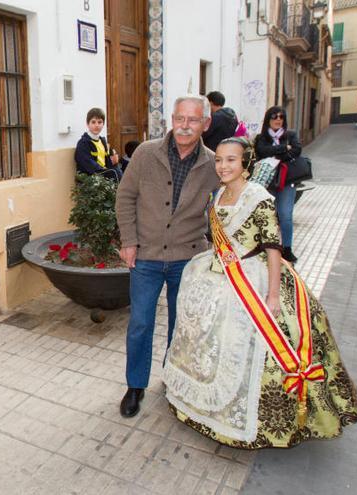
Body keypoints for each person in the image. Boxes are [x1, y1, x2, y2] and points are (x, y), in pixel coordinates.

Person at [162, 137, 357, 448]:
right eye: (219, 160)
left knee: (253, 343)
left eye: (231, 160)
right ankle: (203, 404)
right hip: (221, 273)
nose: (223, 166)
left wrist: (271, 296)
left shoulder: (259, 198)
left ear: (246, 164)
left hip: (255, 278)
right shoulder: (218, 195)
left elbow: (273, 249)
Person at [115, 95, 221, 418]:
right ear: (171, 120)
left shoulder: (213, 164)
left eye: (192, 120)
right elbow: (125, 197)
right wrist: (129, 241)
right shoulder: (146, 154)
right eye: (179, 118)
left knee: (181, 325)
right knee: (140, 323)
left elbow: (225, 209)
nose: (184, 126)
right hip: (145, 255)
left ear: (206, 124)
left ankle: (173, 379)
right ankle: (136, 385)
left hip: (188, 259)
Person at [254, 106, 301, 263]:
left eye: (281, 117)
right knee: (268, 217)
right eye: (274, 116)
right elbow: (261, 151)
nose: (278, 119)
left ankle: (287, 249)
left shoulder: (291, 135)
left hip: (287, 182)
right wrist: (283, 149)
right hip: (267, 183)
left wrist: (275, 152)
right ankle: (267, 248)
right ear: (268, 119)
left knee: (285, 215)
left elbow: (296, 151)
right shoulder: (261, 137)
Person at [75, 107, 122, 181]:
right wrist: (108, 172)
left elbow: (110, 162)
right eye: (93, 122)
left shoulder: (103, 141)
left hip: (104, 177)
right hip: (91, 180)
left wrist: (114, 162)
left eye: (99, 122)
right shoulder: (83, 143)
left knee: (121, 171)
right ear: (87, 124)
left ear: (103, 124)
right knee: (114, 173)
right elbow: (89, 166)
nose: (97, 125)